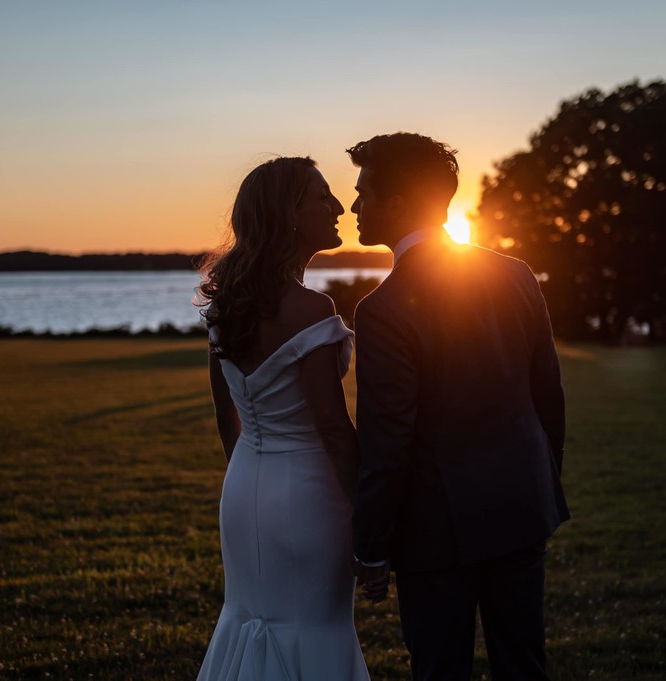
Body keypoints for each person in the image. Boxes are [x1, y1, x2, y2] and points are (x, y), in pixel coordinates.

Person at [348, 133, 570, 681]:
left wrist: (372, 548)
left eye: (363, 193)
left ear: (396, 204)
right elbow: (549, 398)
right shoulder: (516, 274)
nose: (353, 206)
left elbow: (387, 441)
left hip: (436, 531)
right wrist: (538, 483)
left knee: (440, 669)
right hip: (523, 507)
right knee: (524, 665)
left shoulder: (382, 310)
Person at [196, 156, 370, 681]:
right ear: (288, 214)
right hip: (308, 497)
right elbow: (335, 433)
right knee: (312, 626)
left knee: (249, 618)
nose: (338, 206)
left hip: (245, 487)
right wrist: (370, 521)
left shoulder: (228, 305)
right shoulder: (312, 312)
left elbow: (228, 420)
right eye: (322, 197)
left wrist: (253, 472)